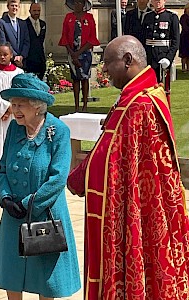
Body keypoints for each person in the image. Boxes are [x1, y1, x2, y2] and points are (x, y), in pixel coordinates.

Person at [68, 36, 189, 299]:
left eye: (108, 63)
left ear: (128, 60)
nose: (104, 71)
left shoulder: (138, 105)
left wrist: (76, 179)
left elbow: (106, 159)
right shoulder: (147, 95)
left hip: (136, 205)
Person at [0, 73, 81, 300]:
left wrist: (29, 203)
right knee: (12, 273)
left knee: (45, 279)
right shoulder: (14, 129)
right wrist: (6, 197)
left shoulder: (58, 131)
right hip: (13, 214)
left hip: (44, 213)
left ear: (37, 106)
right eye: (13, 104)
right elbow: (3, 169)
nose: (15, 110)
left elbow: (58, 178)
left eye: (21, 105)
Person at [59, 0, 100, 112]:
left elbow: (92, 38)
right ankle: (76, 106)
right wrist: (72, 53)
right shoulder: (68, 17)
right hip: (72, 52)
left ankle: (85, 105)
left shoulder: (89, 17)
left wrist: (79, 52)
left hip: (85, 52)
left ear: (83, 4)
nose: (77, 5)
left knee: (84, 78)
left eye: (80, 2)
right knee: (75, 78)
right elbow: (64, 36)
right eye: (75, 2)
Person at [142, 0, 180, 105]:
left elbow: (176, 42)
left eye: (159, 0)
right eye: (155, 0)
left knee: (162, 88)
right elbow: (143, 39)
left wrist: (169, 58)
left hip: (162, 57)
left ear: (164, 1)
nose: (157, 2)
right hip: (149, 57)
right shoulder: (147, 16)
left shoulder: (172, 17)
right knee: (148, 87)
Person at [0, 0, 30, 69]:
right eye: (12, 5)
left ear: (19, 7)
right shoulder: (1, 22)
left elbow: (26, 42)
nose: (14, 8)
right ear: (8, 7)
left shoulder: (23, 23)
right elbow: (3, 42)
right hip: (9, 62)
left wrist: (21, 56)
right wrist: (14, 56)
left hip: (22, 62)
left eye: (16, 6)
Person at [25, 2, 46, 80]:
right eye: (34, 10)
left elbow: (41, 41)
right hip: (29, 60)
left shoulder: (43, 24)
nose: (36, 13)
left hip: (40, 59)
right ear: (30, 11)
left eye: (38, 11)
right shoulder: (24, 24)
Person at [179, 3, 189, 72]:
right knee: (184, 54)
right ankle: (183, 67)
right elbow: (185, 27)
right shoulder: (184, 17)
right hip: (185, 37)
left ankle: (188, 68)